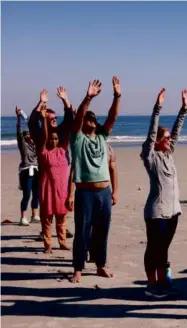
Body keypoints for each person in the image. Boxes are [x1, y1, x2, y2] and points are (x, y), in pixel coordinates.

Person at [69, 77, 121, 283]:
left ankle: (100, 265)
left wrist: (117, 96)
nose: (92, 120)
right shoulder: (77, 138)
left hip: (104, 193)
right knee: (82, 231)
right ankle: (78, 268)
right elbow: (79, 116)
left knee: (103, 231)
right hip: (85, 193)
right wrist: (88, 97)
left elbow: (112, 117)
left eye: (94, 118)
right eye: (88, 119)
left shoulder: (101, 138)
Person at [141, 88, 187, 298]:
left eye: (169, 138)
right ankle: (152, 285)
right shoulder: (151, 158)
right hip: (157, 212)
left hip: (173, 212)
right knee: (154, 249)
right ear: (158, 140)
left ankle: (163, 282)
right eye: (166, 137)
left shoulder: (169, 155)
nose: (169, 140)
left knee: (164, 250)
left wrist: (184, 109)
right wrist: (157, 108)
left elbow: (177, 132)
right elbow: (151, 135)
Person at [37, 108, 71, 253]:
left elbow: (69, 130)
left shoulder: (63, 151)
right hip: (47, 190)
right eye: (52, 139)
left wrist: (69, 108)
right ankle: (48, 244)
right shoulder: (44, 153)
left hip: (62, 190)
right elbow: (44, 136)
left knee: (62, 218)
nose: (54, 140)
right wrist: (45, 120)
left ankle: (62, 242)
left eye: (56, 139)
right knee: (47, 219)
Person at [16, 107, 40, 226]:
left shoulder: (36, 145)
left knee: (37, 194)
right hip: (26, 170)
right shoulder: (23, 145)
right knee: (27, 195)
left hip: (36, 170)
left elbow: (38, 129)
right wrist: (18, 118)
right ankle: (22, 217)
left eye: (30, 135)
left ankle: (34, 215)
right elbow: (19, 133)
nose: (29, 137)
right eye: (27, 136)